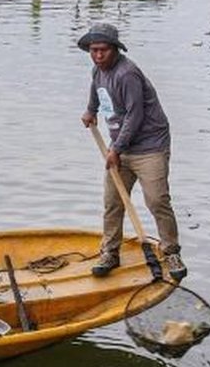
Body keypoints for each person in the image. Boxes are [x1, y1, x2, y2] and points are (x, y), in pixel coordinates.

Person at [76, 23, 187, 281]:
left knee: (157, 200)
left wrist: (116, 149)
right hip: (120, 147)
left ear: (114, 50)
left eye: (103, 50)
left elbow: (135, 116)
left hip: (149, 146)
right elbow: (97, 92)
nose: (98, 56)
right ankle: (110, 252)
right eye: (93, 50)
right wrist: (91, 110)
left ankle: (171, 251)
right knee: (113, 202)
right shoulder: (98, 71)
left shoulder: (127, 74)